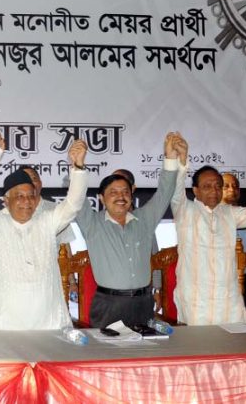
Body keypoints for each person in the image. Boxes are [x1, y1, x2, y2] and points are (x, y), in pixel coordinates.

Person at [74, 133, 184, 329]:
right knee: (109, 358)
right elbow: (76, 198)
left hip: (143, 303)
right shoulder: (92, 223)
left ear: (132, 194)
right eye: (113, 192)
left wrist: (170, 159)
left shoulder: (145, 220)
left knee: (144, 357)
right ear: (101, 198)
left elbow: (164, 193)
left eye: (125, 192)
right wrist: (78, 166)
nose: (121, 196)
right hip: (109, 305)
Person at [0, 139, 88, 330]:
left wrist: (78, 167)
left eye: (31, 196)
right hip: (6, 326)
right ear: (6, 201)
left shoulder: (47, 222)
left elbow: (73, 204)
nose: (27, 201)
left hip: (48, 323)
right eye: (20, 196)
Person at [170, 148, 246, 326]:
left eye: (218, 186)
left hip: (228, 300)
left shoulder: (229, 213)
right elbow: (175, 190)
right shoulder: (184, 210)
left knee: (233, 349)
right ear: (195, 190)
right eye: (207, 186)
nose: (214, 191)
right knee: (200, 351)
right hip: (196, 301)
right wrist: (180, 161)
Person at [19, 166, 76, 245]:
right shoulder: (8, 213)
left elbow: (66, 247)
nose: (30, 183)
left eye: (33, 179)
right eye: (25, 180)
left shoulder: (57, 210)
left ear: (40, 183)